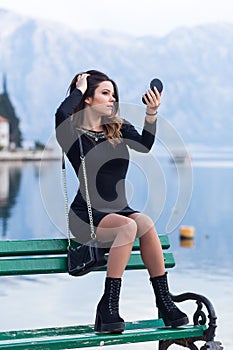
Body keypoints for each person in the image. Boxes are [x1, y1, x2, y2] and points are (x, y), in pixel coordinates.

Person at [55, 70, 188, 334]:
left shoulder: (117, 127)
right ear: (88, 98)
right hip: (87, 216)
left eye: (114, 94)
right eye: (105, 93)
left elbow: (144, 145)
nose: (112, 99)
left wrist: (151, 114)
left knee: (145, 224)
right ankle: (109, 306)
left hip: (119, 211)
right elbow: (61, 115)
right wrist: (78, 89)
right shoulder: (73, 135)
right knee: (128, 228)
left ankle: (164, 301)